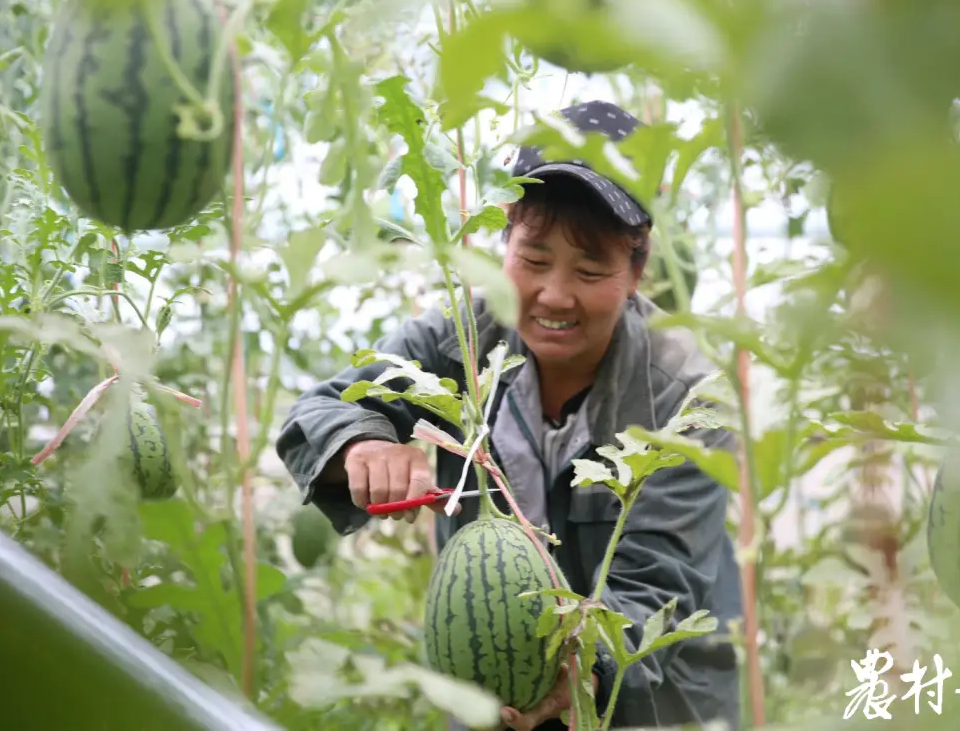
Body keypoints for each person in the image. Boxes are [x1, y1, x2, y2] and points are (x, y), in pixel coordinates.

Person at [275, 100, 743, 731]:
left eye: (589, 268)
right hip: (485, 699)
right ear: (504, 247)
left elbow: (659, 582)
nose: (554, 294)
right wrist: (361, 444)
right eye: (534, 258)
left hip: (646, 703)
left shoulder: (689, 396)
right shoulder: (460, 340)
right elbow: (322, 408)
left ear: (636, 271)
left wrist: (584, 669)